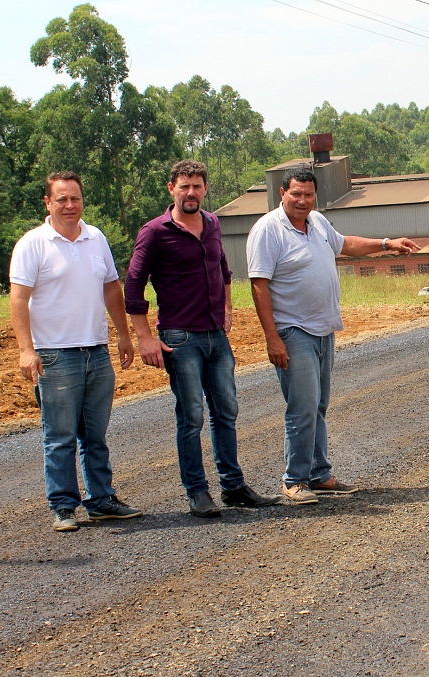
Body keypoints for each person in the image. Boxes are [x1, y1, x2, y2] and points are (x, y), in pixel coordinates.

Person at [246, 167, 420, 505]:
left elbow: (346, 245)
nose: (302, 200)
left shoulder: (318, 222)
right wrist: (272, 338)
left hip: (323, 329)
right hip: (292, 330)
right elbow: (258, 284)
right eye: (295, 194)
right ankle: (294, 480)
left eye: (308, 194)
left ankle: (319, 475)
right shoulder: (268, 230)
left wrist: (386, 244)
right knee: (302, 406)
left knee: (318, 405)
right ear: (282, 193)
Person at [125, 160, 278, 517]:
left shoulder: (212, 224)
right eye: (184, 186)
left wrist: (226, 309)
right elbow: (133, 285)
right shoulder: (154, 232)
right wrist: (145, 337)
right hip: (180, 337)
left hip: (215, 337)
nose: (190, 193)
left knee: (226, 410)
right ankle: (197, 492)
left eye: (196, 186)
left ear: (205, 189)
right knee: (191, 415)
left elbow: (223, 268)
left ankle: (233, 487)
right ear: (171, 189)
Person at [9, 171, 143, 532]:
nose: (70, 206)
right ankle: (63, 506)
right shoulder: (33, 244)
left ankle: (101, 500)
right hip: (55, 354)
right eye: (62, 199)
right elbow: (18, 299)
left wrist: (123, 335)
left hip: (95, 351)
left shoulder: (95, 237)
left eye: (76, 199)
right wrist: (26, 350)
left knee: (95, 436)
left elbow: (112, 288)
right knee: (60, 436)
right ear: (48, 203)